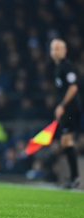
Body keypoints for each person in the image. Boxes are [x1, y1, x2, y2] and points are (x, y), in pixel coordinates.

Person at [50, 39, 82, 188]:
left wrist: (62, 105)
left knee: (67, 141)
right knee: (65, 142)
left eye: (58, 49)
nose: (55, 52)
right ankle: (74, 177)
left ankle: (75, 177)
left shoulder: (66, 66)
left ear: (65, 51)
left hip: (71, 109)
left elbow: (73, 87)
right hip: (68, 109)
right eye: (53, 49)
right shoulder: (58, 67)